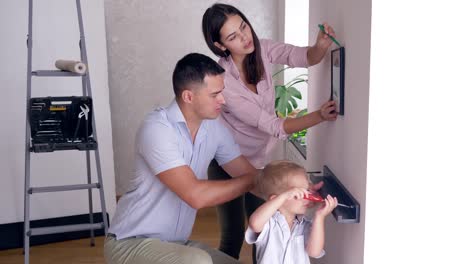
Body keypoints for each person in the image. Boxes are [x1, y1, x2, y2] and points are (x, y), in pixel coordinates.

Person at [202, 3, 338, 261]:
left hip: (261, 160)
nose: (245, 37)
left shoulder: (262, 48)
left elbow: (305, 57)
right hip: (227, 161)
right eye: (233, 36)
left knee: (268, 231)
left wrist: (321, 45)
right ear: (220, 46)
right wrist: (319, 116)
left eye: (243, 26)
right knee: (233, 235)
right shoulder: (225, 82)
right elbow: (275, 126)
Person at [104, 53, 260, 264]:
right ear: (188, 97)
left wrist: (291, 189)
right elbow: (195, 195)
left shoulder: (215, 129)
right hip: (129, 243)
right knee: (197, 261)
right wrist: (255, 180)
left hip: (175, 244)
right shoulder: (157, 129)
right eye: (215, 95)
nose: (222, 100)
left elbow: (248, 173)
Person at [245, 160, 337, 264]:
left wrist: (319, 217)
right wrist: (284, 196)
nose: (306, 197)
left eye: (307, 191)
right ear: (277, 199)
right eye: (298, 194)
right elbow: (254, 223)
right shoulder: (269, 223)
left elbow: (314, 252)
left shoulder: (305, 225)